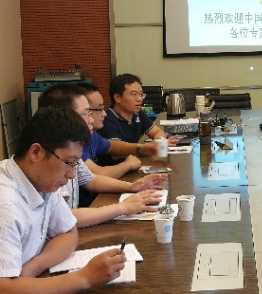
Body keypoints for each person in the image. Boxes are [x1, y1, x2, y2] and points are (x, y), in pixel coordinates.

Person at [0, 106, 126, 293]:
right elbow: (4, 288)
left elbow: (69, 232)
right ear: (36, 152)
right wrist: (85, 278)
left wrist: (33, 268)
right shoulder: (6, 206)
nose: (72, 175)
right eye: (69, 162)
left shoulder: (42, 181)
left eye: (76, 164)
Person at [37, 84, 167, 227]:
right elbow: (64, 218)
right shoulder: (49, 159)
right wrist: (123, 207)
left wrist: (132, 187)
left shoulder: (72, 147)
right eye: (87, 113)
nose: (92, 119)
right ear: (65, 116)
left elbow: (91, 179)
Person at [99, 73, 176, 145]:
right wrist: (147, 147)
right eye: (134, 94)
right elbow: (117, 149)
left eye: (141, 94)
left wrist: (160, 141)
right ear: (117, 98)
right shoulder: (107, 120)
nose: (139, 99)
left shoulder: (138, 114)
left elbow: (157, 131)